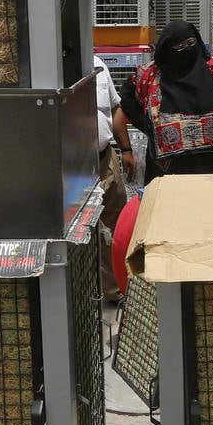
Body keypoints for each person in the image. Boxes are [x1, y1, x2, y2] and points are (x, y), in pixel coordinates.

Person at [114, 20, 213, 182]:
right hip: (165, 167)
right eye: (179, 47)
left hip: (208, 164)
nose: (186, 50)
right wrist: (148, 126)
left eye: (190, 43)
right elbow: (126, 98)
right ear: (167, 50)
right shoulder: (150, 76)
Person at [94, 54, 130, 303]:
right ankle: (82, 290)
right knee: (81, 230)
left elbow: (115, 107)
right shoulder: (48, 68)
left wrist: (125, 149)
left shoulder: (98, 64)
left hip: (105, 158)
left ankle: (115, 289)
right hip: (68, 166)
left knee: (115, 225)